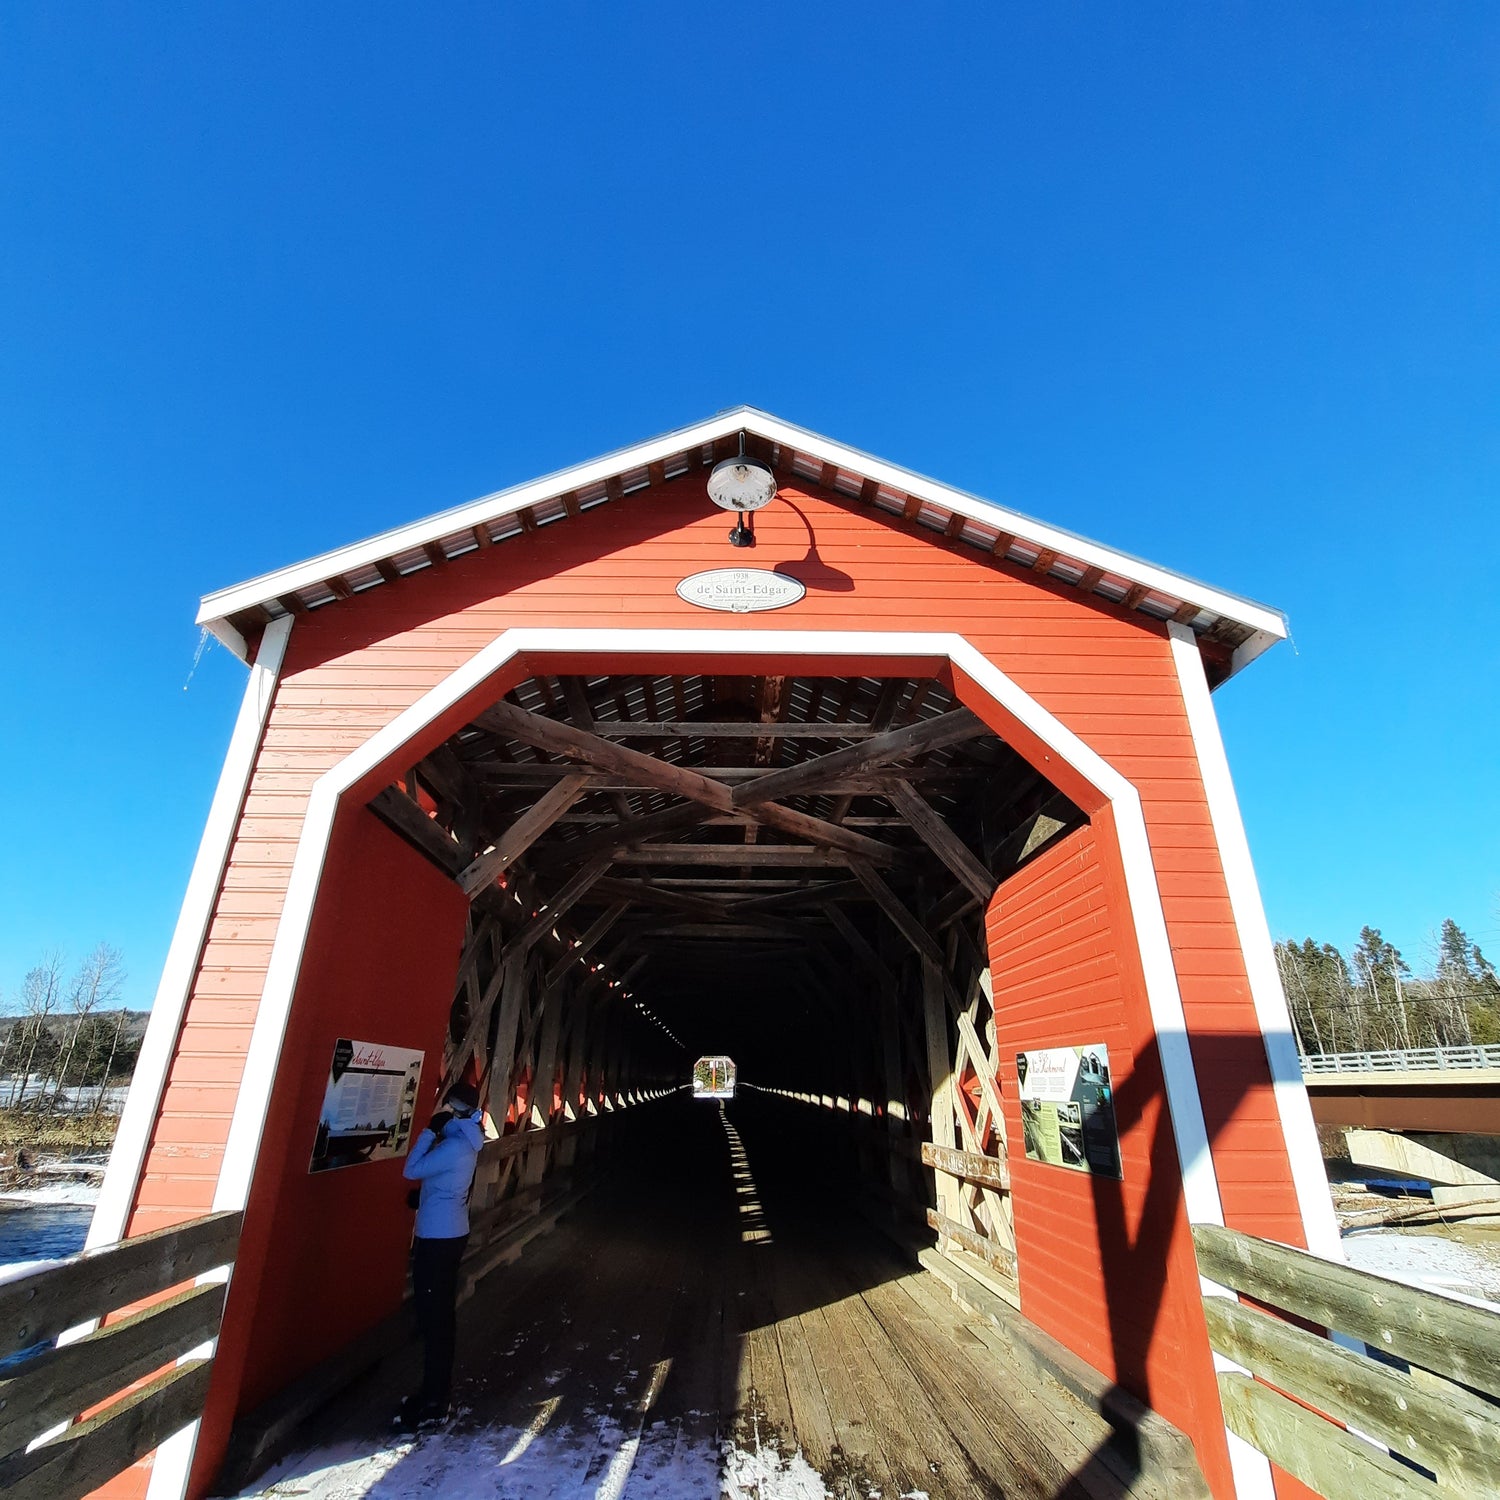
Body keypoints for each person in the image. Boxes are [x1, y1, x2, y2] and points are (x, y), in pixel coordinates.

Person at [397, 1078, 484, 1428]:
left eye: (448, 1104)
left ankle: (435, 1401)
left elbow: (412, 1169)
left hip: (438, 1237)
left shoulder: (454, 1146)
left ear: (455, 1107)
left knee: (436, 1319)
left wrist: (427, 1132)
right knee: (438, 1316)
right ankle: (432, 1393)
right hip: (448, 1231)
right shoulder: (465, 1138)